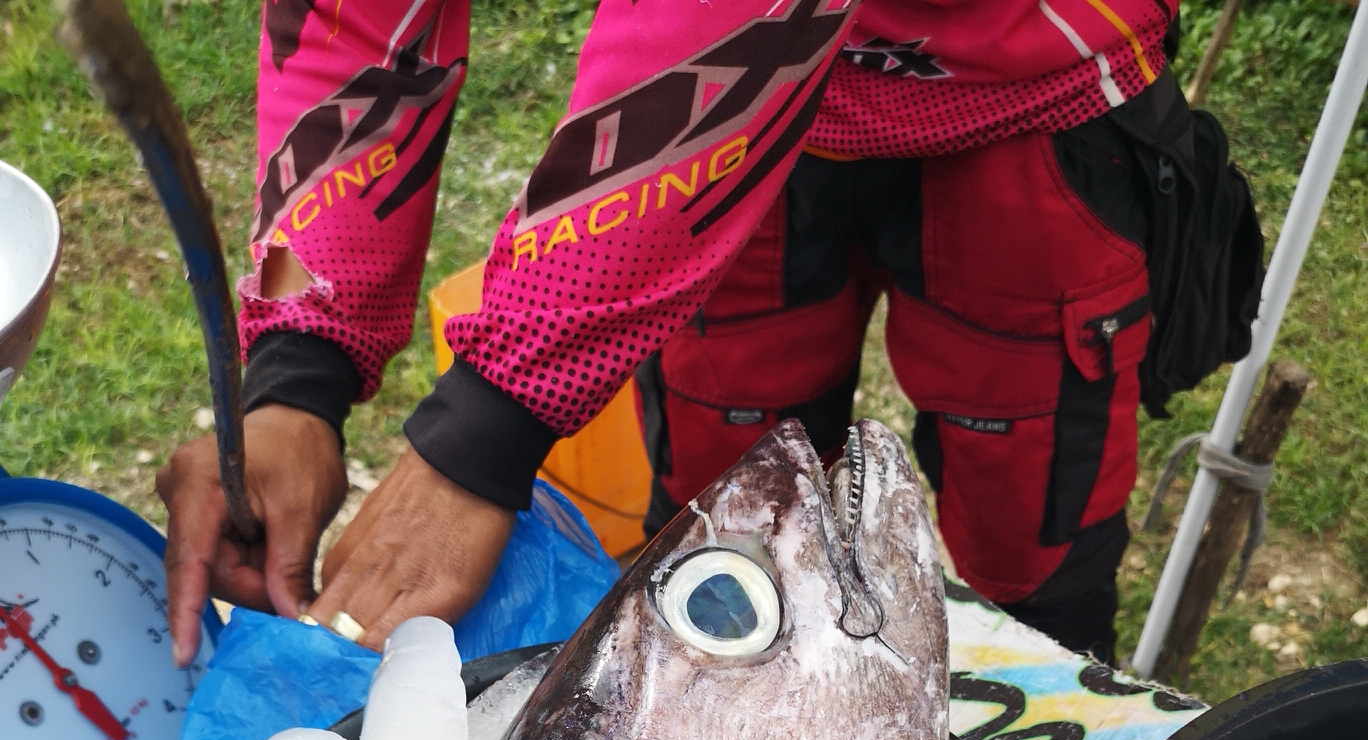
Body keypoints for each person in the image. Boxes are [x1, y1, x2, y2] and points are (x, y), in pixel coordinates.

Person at [161, 0, 1245, 669]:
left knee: (1034, 555)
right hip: (739, 138)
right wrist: (298, 368)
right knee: (731, 535)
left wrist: (484, 431)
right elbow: (357, 14)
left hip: (1033, 86)